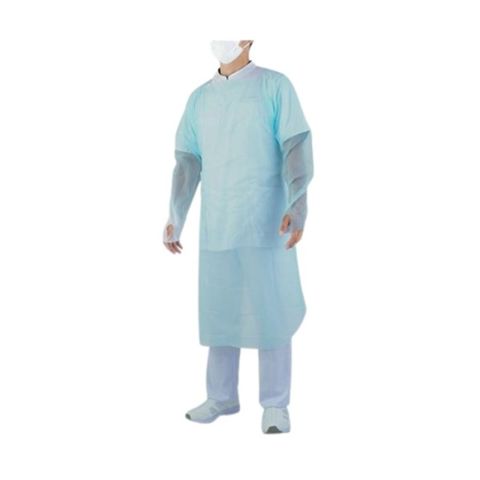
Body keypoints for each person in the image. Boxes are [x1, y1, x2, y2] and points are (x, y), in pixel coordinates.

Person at [163, 40, 314, 433]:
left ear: (248, 38)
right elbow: (188, 162)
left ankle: (275, 404)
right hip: (218, 223)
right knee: (221, 311)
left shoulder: (274, 87)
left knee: (271, 313)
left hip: (266, 222)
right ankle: (221, 396)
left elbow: (296, 147)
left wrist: (296, 205)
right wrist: (176, 216)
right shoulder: (200, 99)